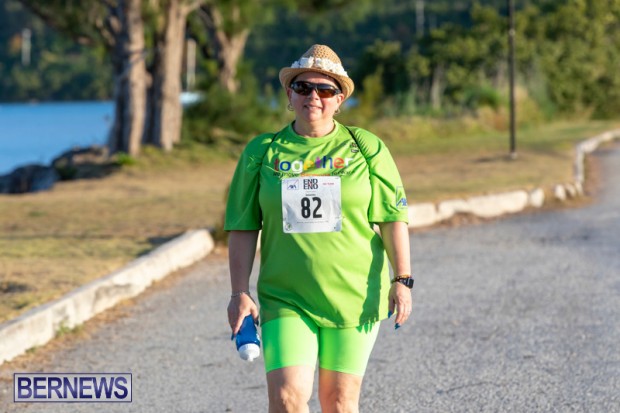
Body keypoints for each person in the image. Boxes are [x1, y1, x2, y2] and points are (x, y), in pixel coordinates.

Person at [225, 44, 413, 412]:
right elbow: (243, 227)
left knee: (339, 402)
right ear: (289, 94)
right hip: (286, 297)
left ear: (339, 100)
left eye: (325, 90)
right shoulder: (262, 152)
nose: (314, 96)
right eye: (303, 87)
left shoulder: (366, 147)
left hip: (354, 297)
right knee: (286, 398)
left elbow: (392, 217)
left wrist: (402, 279)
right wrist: (238, 293)